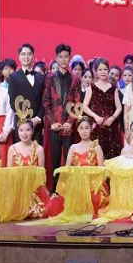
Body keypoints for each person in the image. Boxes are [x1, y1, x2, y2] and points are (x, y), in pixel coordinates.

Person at [44, 43, 83, 178]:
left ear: (69, 58)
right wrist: (53, 122)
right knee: (54, 161)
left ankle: (68, 187)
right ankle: (55, 188)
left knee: (69, 161)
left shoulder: (75, 80)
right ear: (56, 58)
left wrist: (70, 122)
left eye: (66, 57)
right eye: (60, 57)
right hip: (54, 126)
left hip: (68, 127)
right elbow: (46, 102)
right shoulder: (49, 78)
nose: (63, 59)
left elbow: (77, 104)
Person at [82, 58, 123, 160]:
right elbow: (84, 107)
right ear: (96, 71)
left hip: (110, 127)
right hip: (96, 127)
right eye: (100, 69)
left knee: (111, 157)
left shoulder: (113, 89)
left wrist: (112, 118)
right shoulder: (91, 88)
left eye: (105, 69)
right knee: (95, 157)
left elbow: (119, 107)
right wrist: (95, 117)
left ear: (108, 70)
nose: (103, 72)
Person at [8, 43, 44, 144]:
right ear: (19, 57)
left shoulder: (41, 77)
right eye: (23, 54)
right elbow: (13, 101)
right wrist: (25, 120)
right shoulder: (14, 77)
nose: (26, 57)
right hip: (21, 124)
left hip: (37, 124)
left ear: (33, 56)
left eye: (29, 54)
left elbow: (44, 100)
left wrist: (37, 118)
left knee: (37, 151)